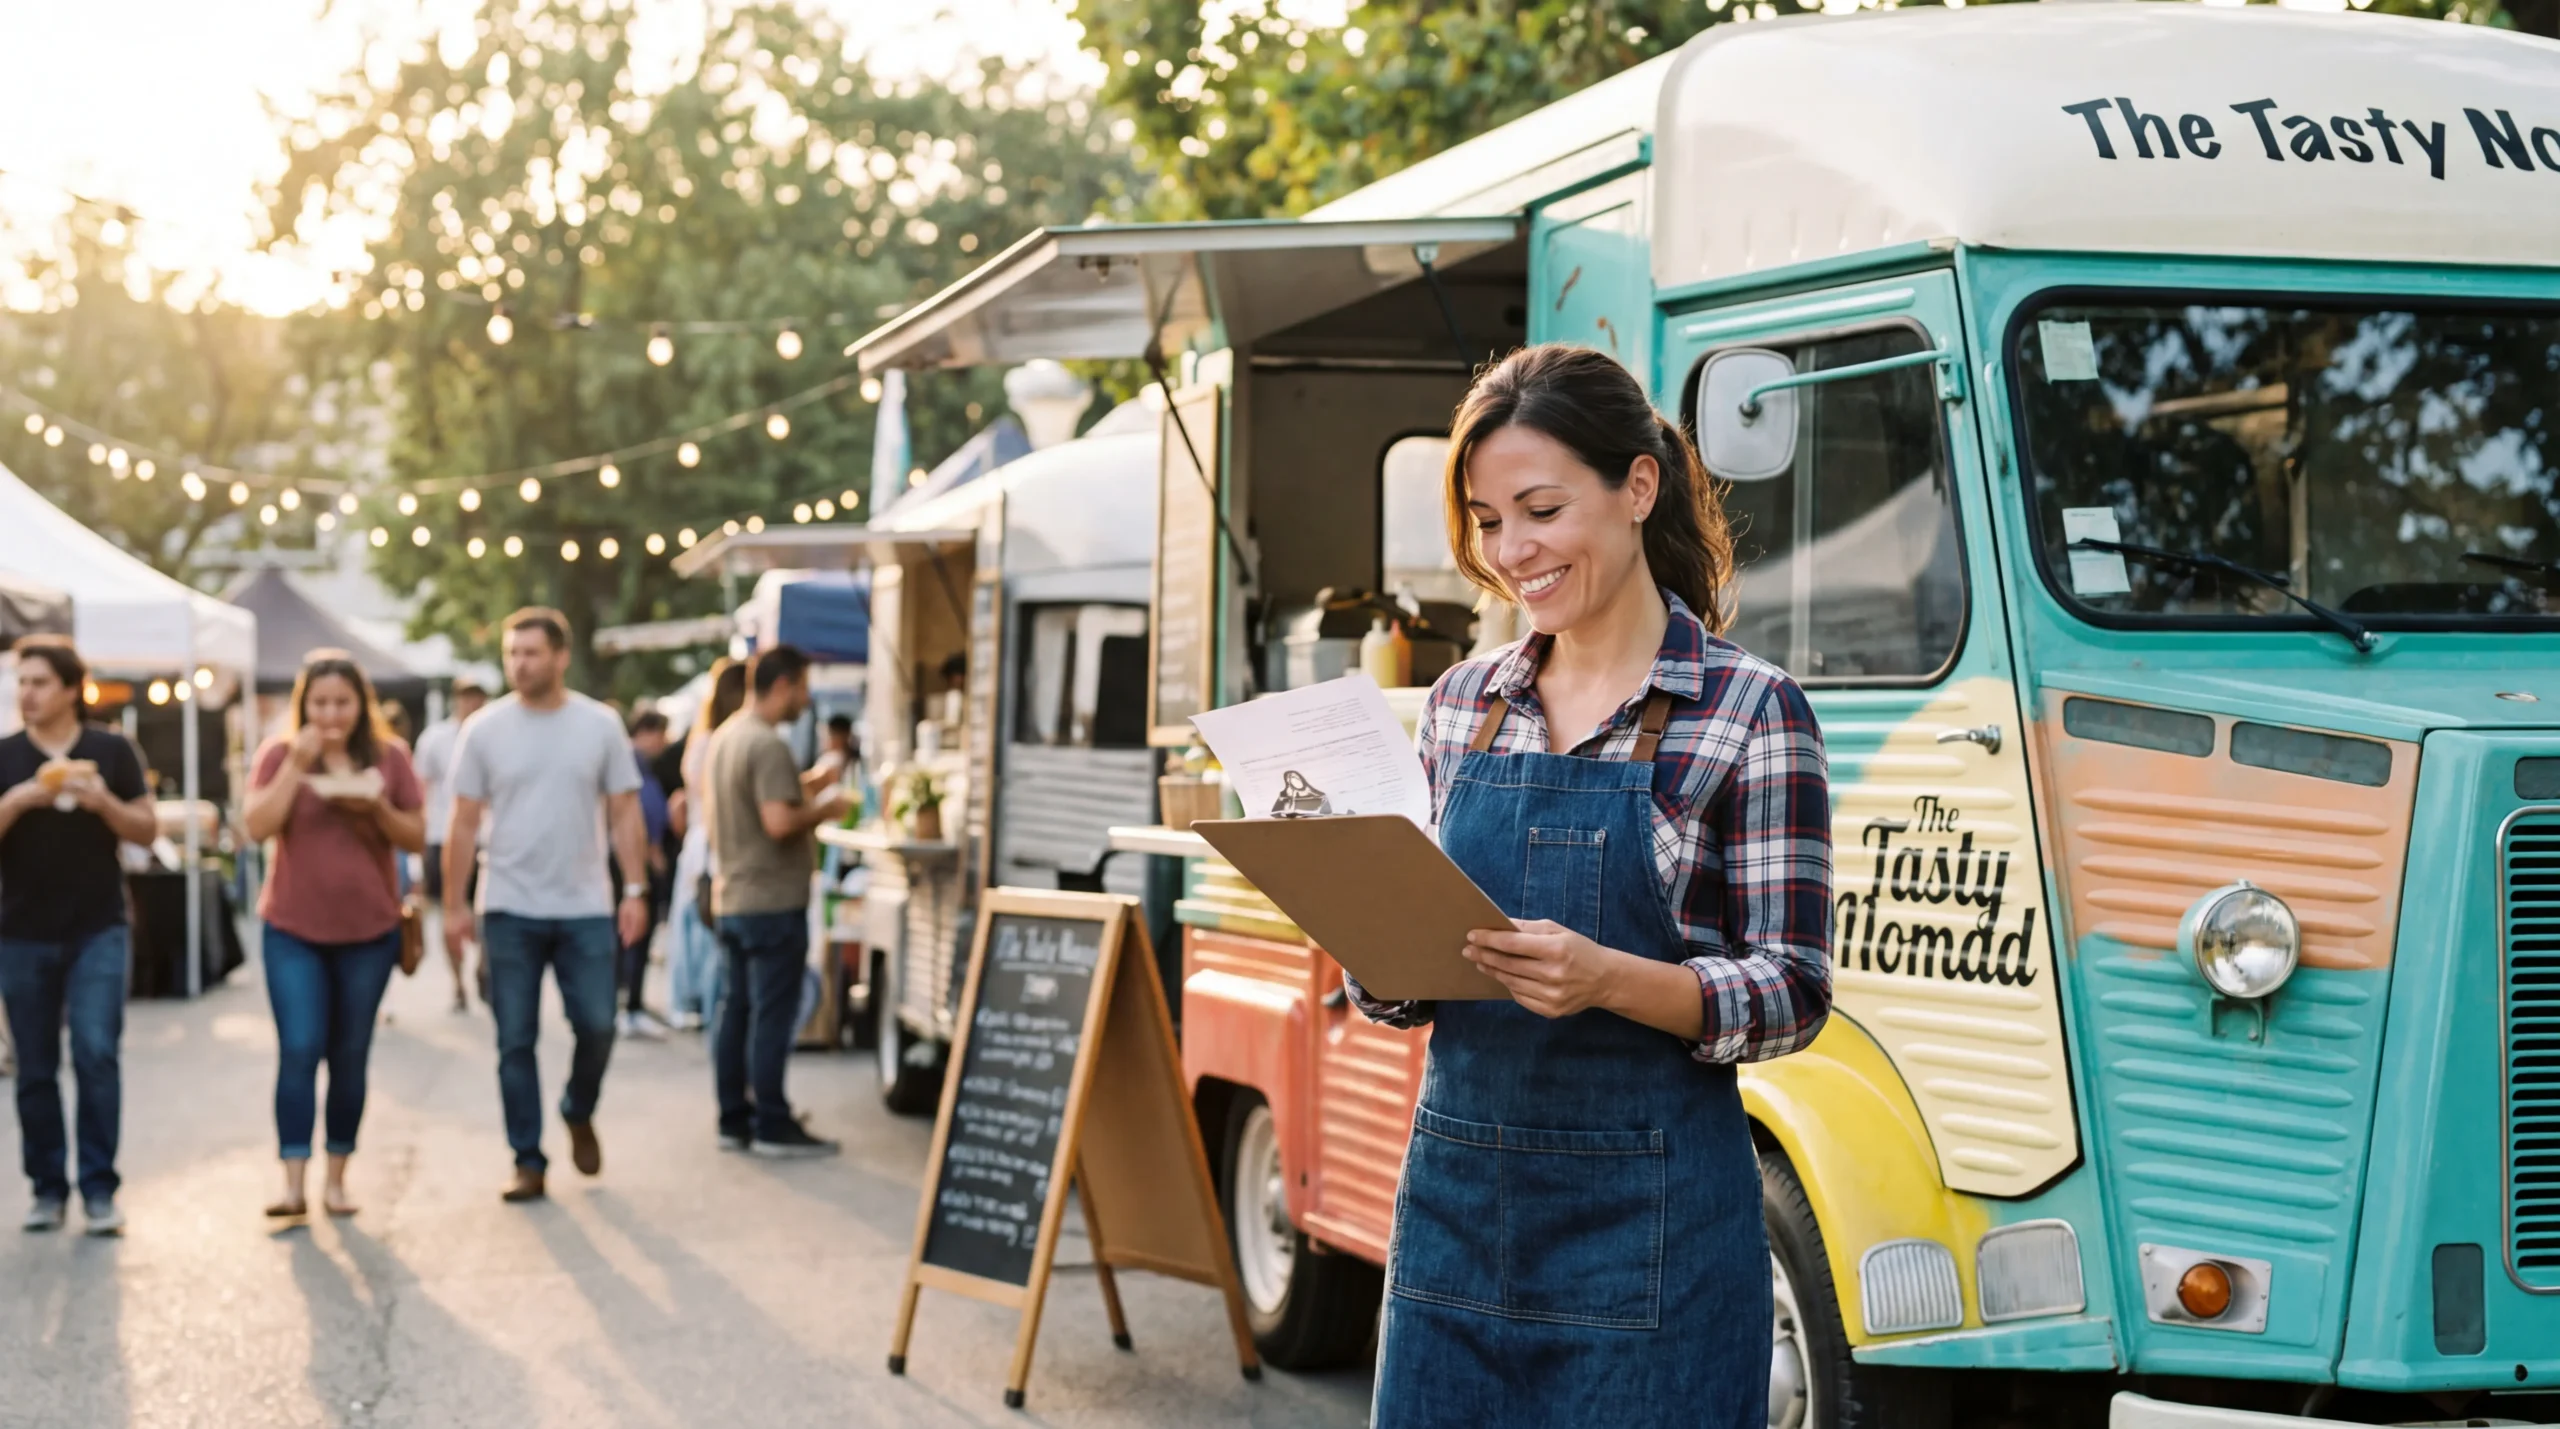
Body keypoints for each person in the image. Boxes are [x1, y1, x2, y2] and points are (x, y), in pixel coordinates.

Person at [1351, 346, 1833, 1427]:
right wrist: (1375, 951)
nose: (1511, 550)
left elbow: (1794, 989)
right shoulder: (1461, 704)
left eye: (1540, 508)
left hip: (1655, 1247)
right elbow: (1408, 985)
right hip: (1455, 1228)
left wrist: (1611, 979)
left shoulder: (1751, 711)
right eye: (1486, 520)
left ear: (1638, 488)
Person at [441, 609, 650, 1203]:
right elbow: (461, 824)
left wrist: (634, 889)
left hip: (585, 904)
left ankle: (577, 1108)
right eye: (512, 653)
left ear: (561, 656)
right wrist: (454, 908)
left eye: (532, 652)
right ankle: (527, 1159)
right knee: (514, 1039)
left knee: (599, 1025)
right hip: (507, 904)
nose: (520, 664)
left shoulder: (599, 724)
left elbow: (625, 810)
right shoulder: (483, 729)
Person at [240, 652, 426, 1219]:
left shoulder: (390, 757)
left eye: (341, 702)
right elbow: (255, 826)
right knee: (299, 1048)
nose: (330, 714)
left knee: (350, 1055)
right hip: (293, 928)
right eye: (319, 703)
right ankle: (293, 1181)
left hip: (369, 930)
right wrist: (298, 766)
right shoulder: (278, 754)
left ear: (360, 704)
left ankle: (338, 1178)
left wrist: (376, 807)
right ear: (303, 705)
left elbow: (416, 837)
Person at [0, 637, 157, 1236]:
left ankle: (98, 1188)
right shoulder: (7, 756)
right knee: (35, 1067)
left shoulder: (111, 750)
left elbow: (145, 830)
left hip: (98, 927)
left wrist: (104, 804)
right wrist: (16, 802)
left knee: (95, 1053)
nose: (27, 694)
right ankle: (46, 1187)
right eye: (21, 682)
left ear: (71, 689)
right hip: (21, 931)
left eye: (39, 682)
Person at [703, 644, 845, 1157]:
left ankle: (733, 1117)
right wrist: (826, 808)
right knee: (771, 1014)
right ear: (783, 685)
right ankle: (772, 1121)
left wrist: (809, 786)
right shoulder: (767, 744)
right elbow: (778, 820)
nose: (805, 700)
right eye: (803, 687)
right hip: (770, 899)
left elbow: (762, 801)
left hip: (733, 896)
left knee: (735, 1010)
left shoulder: (726, 736)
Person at [664, 658, 747, 1032]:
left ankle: (698, 997)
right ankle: (706, 999)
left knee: (697, 923)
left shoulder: (704, 739)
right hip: (713, 839)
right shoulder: (716, 741)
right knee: (704, 923)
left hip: (703, 839)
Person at [413, 679, 489, 1011]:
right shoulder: (436, 739)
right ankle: (458, 982)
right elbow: (421, 789)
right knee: (451, 910)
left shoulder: (493, 733)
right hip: (442, 837)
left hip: (486, 839)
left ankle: (484, 966)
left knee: (486, 913)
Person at [614, 711, 673, 1038]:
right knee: (634, 935)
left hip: (639, 860)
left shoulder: (639, 762)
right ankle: (628, 1006)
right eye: (660, 735)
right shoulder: (631, 761)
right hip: (637, 863)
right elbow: (638, 812)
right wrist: (652, 852)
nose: (663, 743)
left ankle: (630, 1003)